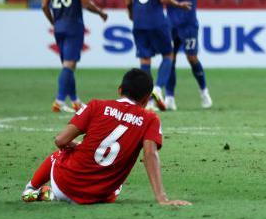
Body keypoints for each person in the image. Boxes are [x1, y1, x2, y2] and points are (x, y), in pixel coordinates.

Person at [20, 68, 190, 206]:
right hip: (100, 196)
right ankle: (53, 195)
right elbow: (150, 155)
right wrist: (162, 198)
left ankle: (31, 189)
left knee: (60, 154)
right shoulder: (150, 119)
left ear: (120, 90)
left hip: (64, 184)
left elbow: (60, 140)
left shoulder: (96, 105)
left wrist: (74, 145)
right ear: (146, 99)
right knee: (116, 185)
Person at [123, 0, 191, 111]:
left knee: (145, 60)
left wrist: (131, 14)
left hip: (139, 21)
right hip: (157, 21)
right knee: (168, 55)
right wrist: (179, 4)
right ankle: (157, 89)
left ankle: (147, 99)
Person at [41, 0, 109, 113]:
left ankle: (75, 101)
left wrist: (53, 22)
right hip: (73, 25)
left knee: (67, 65)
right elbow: (86, 3)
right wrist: (100, 12)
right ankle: (59, 100)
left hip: (59, 26)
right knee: (69, 65)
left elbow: (44, 5)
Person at [165, 0, 212, 110]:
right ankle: (169, 97)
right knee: (170, 60)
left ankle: (204, 92)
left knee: (192, 58)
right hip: (170, 24)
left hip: (189, 24)